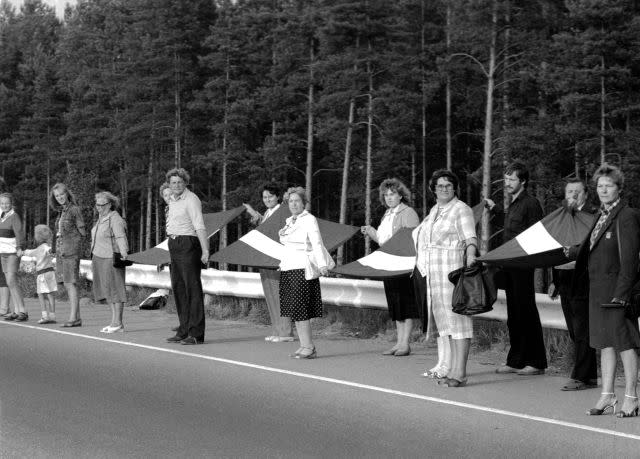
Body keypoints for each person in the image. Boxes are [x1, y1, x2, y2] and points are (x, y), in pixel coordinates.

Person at [568, 164, 639, 418]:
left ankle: (631, 397)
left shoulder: (627, 215)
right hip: (597, 290)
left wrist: (622, 294)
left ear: (619, 188)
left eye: (609, 185)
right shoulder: (600, 215)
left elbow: (630, 260)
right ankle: (608, 396)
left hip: (617, 293)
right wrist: (574, 252)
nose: (604, 189)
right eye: (600, 186)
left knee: (625, 344)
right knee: (605, 345)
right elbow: (594, 248)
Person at [412, 170, 477, 387]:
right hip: (434, 274)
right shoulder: (434, 211)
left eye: (448, 185)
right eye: (439, 186)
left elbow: (470, 238)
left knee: (459, 320)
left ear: (455, 188)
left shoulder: (462, 209)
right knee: (446, 323)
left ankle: (460, 371)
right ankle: (451, 367)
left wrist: (471, 256)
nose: (444, 189)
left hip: (453, 270)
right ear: (433, 189)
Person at [486, 161, 547, 375]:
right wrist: (495, 211)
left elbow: (536, 235)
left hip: (523, 266)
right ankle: (516, 360)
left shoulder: (530, 203)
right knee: (514, 315)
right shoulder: (513, 203)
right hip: (510, 266)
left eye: (512, 179)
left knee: (526, 312)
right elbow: (511, 230)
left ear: (523, 181)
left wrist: (528, 260)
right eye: (506, 179)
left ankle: (536, 362)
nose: (508, 183)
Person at [548, 179, 598, 391]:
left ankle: (580, 377)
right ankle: (590, 375)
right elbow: (555, 250)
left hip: (583, 279)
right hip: (565, 278)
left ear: (585, 194)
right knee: (573, 330)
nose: (573, 195)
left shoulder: (592, 216)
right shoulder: (562, 216)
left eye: (578, 192)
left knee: (581, 330)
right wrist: (554, 281)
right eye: (570, 191)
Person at [361, 178, 420, 356]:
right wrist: (371, 232)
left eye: (392, 194)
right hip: (389, 263)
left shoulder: (408, 212)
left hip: (403, 264)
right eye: (386, 195)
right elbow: (383, 240)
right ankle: (399, 342)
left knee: (405, 302)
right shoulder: (387, 214)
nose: (389, 197)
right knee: (395, 303)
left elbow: (412, 238)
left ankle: (405, 343)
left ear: (401, 195)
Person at [278, 186, 329, 359]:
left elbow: (316, 242)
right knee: (295, 309)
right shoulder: (289, 221)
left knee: (301, 309)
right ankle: (303, 345)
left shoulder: (309, 219)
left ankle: (309, 346)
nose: (293, 204)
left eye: (297, 201)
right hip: (288, 267)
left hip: (302, 268)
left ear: (304, 203)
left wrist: (322, 265)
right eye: (291, 201)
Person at [244, 184, 294, 343]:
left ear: (277, 197)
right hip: (265, 257)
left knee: (279, 295)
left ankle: (286, 332)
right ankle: (277, 330)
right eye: (265, 197)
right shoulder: (267, 212)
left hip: (277, 258)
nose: (267, 200)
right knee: (270, 295)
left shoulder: (283, 210)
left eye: (270, 197)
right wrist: (255, 215)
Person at [165, 168, 209, 345]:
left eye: (180, 182)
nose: (176, 185)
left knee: (192, 289)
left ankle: (196, 333)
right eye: (173, 182)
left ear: (185, 183)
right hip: (174, 243)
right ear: (169, 184)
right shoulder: (172, 200)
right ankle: (184, 329)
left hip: (188, 244)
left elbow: (199, 225)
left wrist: (205, 250)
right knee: (179, 288)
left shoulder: (191, 199)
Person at [91, 191, 129, 333]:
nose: (99, 207)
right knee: (107, 290)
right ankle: (114, 321)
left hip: (111, 257)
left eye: (102, 205)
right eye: (97, 204)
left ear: (110, 204)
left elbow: (120, 236)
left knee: (115, 289)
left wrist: (124, 252)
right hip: (98, 256)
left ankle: (118, 322)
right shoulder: (101, 218)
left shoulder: (115, 218)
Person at [51, 183, 86, 327]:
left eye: (61, 194)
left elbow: (82, 230)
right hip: (61, 251)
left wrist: (74, 245)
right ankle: (76, 317)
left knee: (70, 283)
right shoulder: (61, 212)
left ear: (67, 194)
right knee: (67, 283)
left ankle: (73, 318)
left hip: (71, 250)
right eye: (57, 196)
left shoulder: (74, 210)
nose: (60, 198)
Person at [0, 193, 27, 322]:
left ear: (11, 204)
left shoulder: (14, 216)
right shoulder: (2, 216)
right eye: (2, 203)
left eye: (6, 203)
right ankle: (16, 311)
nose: (4, 205)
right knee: (9, 281)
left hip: (12, 253)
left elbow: (19, 233)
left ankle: (23, 311)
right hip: (2, 253)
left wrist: (20, 247)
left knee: (11, 280)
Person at [23, 225, 57, 324]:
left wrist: (21, 252)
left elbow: (29, 252)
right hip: (51, 272)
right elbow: (49, 251)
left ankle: (44, 315)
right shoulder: (47, 247)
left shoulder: (40, 248)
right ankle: (52, 315)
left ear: (38, 236)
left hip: (42, 274)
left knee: (41, 294)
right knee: (51, 294)